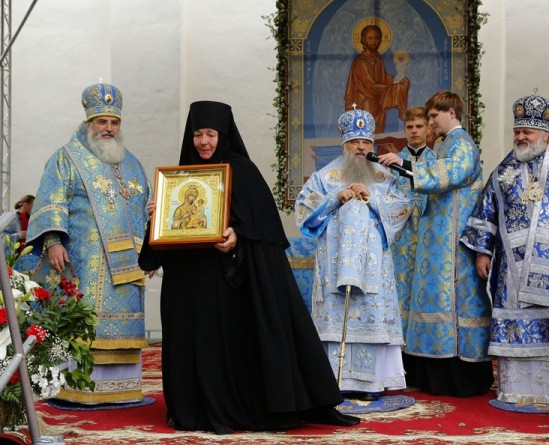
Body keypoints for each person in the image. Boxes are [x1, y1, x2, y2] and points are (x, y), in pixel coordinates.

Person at [138, 100, 359, 434]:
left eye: (210, 134)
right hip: (187, 284)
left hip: (227, 285)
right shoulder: (181, 177)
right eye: (198, 134)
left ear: (223, 135)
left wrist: (237, 235)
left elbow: (261, 228)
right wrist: (157, 219)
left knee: (223, 346)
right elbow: (162, 243)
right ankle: (193, 408)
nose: (203, 142)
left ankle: (235, 406)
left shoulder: (242, 171)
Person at [461, 92, 549, 406]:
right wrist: (483, 251)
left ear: (545, 133)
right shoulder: (504, 172)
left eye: (527, 132)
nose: (521, 137)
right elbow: (486, 211)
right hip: (515, 269)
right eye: (517, 131)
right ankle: (519, 390)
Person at [26, 82, 152, 404]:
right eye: (101, 121)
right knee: (83, 321)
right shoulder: (66, 158)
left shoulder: (132, 163)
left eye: (114, 122)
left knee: (123, 325)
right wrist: (53, 241)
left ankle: (122, 390)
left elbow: (145, 211)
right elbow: (52, 201)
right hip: (84, 261)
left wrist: (152, 253)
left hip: (128, 266)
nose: (108, 128)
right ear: (89, 123)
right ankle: (76, 391)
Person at [375, 91, 493, 397]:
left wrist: (403, 164)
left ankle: (460, 376)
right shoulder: (446, 145)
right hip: (439, 240)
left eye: (432, 117)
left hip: (453, 242)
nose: (429, 124)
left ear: (451, 112)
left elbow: (445, 175)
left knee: (451, 300)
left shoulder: (462, 144)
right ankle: (432, 374)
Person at [295, 107, 412, 400]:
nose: (360, 147)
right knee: (336, 321)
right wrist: (335, 198)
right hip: (334, 267)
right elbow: (304, 211)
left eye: (365, 142)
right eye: (354, 142)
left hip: (374, 268)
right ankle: (334, 382)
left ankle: (372, 384)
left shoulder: (384, 177)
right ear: (344, 144)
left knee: (371, 317)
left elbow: (402, 208)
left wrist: (372, 199)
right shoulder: (324, 176)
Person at [375, 107, 436, 384]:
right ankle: (399, 363)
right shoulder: (392, 161)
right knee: (400, 294)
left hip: (427, 238)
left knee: (424, 294)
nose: (414, 131)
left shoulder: (437, 163)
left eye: (419, 126)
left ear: (428, 129)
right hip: (400, 239)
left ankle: (423, 358)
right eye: (410, 127)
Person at [344, 24, 410, 133]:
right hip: (366, 104)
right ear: (364, 40)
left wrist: (398, 79)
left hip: (379, 104)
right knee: (367, 135)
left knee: (378, 135)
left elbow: (382, 77)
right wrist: (393, 88)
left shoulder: (378, 58)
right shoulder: (360, 62)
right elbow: (370, 85)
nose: (374, 41)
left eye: (376, 38)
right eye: (370, 38)